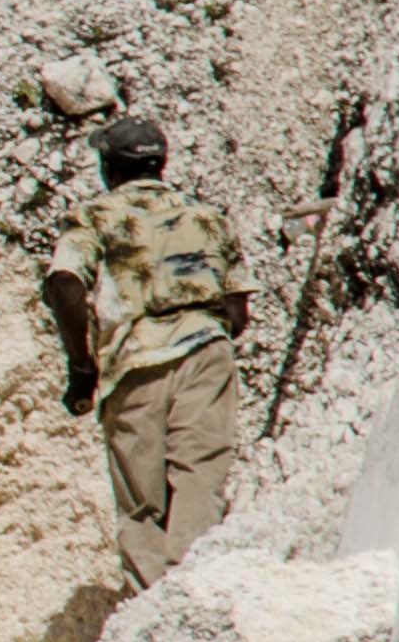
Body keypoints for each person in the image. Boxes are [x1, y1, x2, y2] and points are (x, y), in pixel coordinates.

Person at [44, 117, 247, 591]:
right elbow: (237, 313)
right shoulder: (207, 218)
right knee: (199, 476)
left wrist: (82, 367)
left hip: (136, 363)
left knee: (141, 503)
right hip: (206, 352)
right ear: (162, 164)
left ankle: (153, 609)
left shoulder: (95, 217)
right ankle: (195, 590)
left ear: (108, 170)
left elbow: (64, 282)